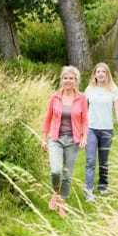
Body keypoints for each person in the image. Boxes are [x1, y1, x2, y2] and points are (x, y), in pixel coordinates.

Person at [41, 66, 88, 217]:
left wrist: (84, 137)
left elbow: (85, 120)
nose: (68, 81)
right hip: (56, 139)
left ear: (76, 81)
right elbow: (48, 118)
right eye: (65, 78)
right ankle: (55, 192)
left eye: (71, 78)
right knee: (55, 171)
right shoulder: (55, 97)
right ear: (61, 80)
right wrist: (43, 139)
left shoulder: (81, 98)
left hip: (72, 140)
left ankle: (62, 204)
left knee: (67, 175)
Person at [83, 62, 118, 201]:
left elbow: (117, 109)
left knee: (104, 160)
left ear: (107, 74)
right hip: (91, 129)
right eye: (98, 71)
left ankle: (103, 185)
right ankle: (88, 190)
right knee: (90, 160)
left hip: (106, 129)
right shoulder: (89, 89)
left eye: (103, 72)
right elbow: (83, 110)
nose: (100, 74)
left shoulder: (113, 90)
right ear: (94, 74)